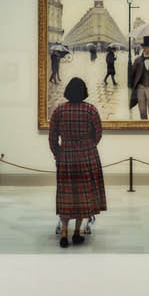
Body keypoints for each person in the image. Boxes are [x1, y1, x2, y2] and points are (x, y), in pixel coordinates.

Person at [46, 76, 106, 246]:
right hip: (86, 157)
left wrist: (58, 153)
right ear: (84, 92)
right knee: (82, 195)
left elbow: (52, 137)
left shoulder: (59, 110)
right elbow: (98, 133)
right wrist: (89, 147)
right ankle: (77, 232)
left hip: (66, 156)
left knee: (66, 195)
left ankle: (64, 232)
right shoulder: (90, 110)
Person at [127, 39, 149, 120]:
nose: (146, 49)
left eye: (148, 47)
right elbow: (132, 74)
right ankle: (144, 127)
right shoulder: (138, 60)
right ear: (143, 48)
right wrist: (133, 86)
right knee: (142, 110)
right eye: (145, 47)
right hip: (140, 87)